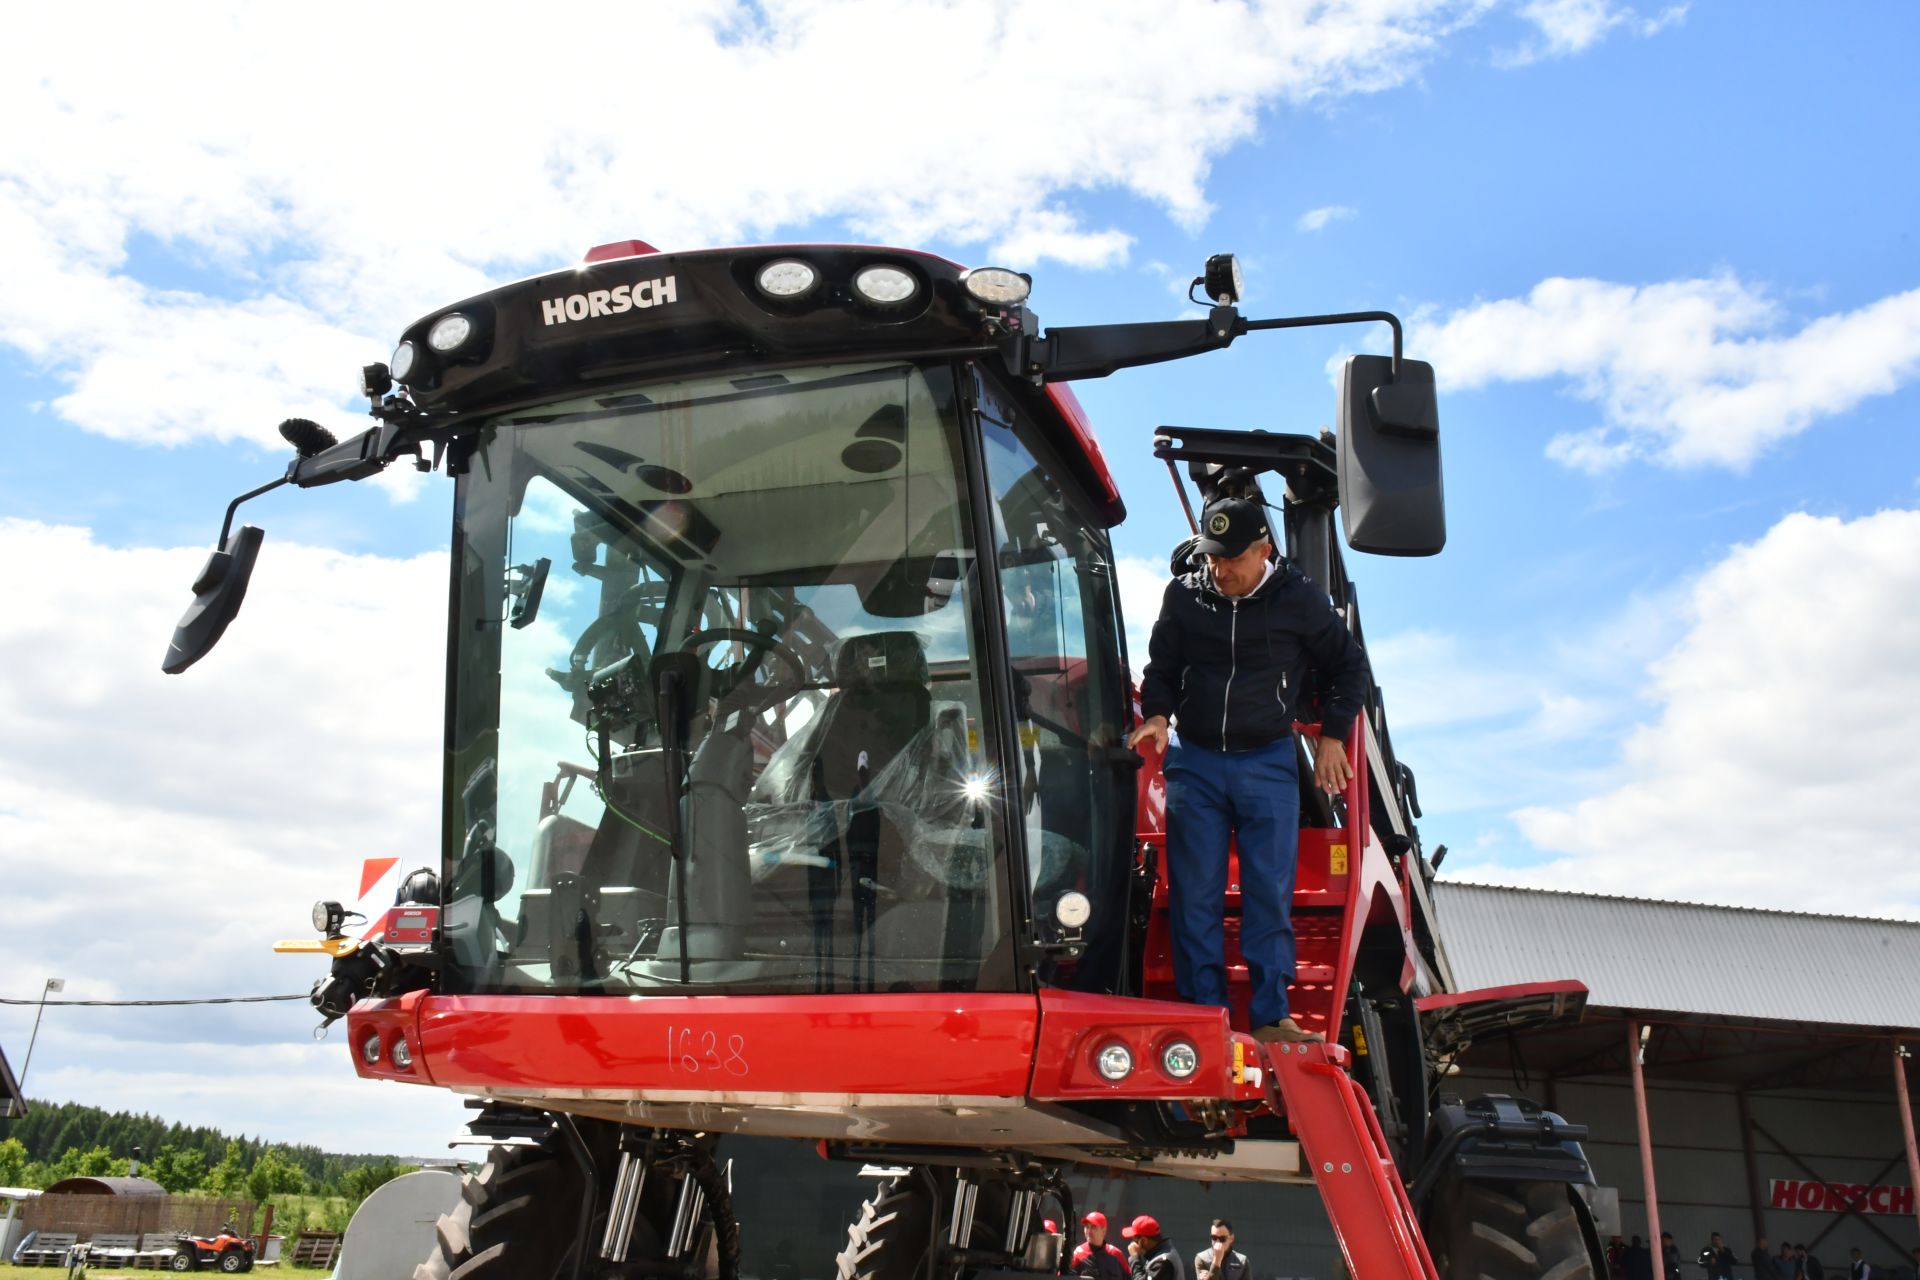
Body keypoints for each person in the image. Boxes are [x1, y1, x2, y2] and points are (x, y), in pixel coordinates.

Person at [1129, 497, 1370, 1044]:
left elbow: (1347, 664)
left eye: (1233, 558)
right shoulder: (1185, 595)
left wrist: (1333, 733)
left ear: (1263, 550)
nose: (1220, 569)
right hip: (1196, 762)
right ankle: (1204, 1019)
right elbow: (1161, 666)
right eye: (1213, 558)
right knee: (1195, 894)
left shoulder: (1298, 598)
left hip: (1267, 762)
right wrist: (1160, 714)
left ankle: (1270, 1016)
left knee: (1268, 891)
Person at [1121, 1214, 1185, 1280]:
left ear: (1144, 1240)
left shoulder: (1162, 1261)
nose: (1132, 1245)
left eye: (1135, 1241)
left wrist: (1134, 1258)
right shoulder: (1160, 1254)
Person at [1072, 1211, 1129, 1280]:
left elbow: (1129, 1277)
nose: (1089, 1231)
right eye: (1087, 1227)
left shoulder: (1116, 1254)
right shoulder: (1078, 1255)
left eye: (1093, 1227)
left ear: (1104, 1230)